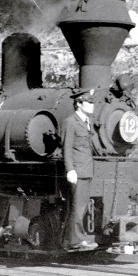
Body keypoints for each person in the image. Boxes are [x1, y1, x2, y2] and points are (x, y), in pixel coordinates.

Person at [61, 88, 98, 251]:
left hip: (86, 170)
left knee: (80, 206)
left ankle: (72, 239)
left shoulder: (86, 122)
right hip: (78, 170)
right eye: (89, 102)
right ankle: (76, 240)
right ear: (79, 104)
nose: (92, 105)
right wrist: (70, 169)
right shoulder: (70, 122)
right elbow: (67, 148)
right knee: (78, 207)